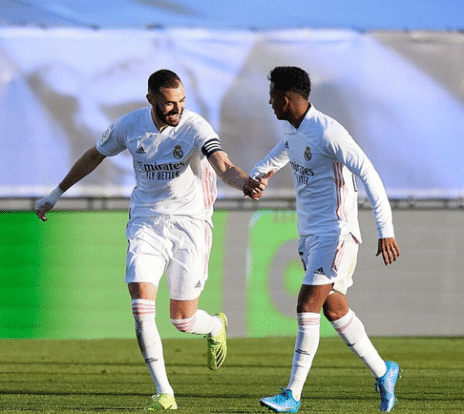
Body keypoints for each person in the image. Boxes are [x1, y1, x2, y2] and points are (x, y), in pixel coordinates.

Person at [35, 69, 264, 410]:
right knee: (141, 305)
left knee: (183, 320)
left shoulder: (195, 126)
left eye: (182, 101)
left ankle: (215, 325)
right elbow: (94, 155)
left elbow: (222, 163)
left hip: (190, 224)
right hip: (146, 222)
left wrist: (245, 183)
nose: (178, 109)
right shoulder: (129, 125)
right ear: (151, 100)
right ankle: (164, 393)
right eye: (170, 103)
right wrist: (55, 193)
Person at [253, 66, 401, 413]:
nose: (270, 103)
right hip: (310, 234)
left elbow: (368, 173)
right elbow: (281, 152)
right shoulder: (293, 130)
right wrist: (257, 176)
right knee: (334, 309)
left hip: (337, 232)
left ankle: (292, 395)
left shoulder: (329, 132)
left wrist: (386, 229)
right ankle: (384, 372)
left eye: (272, 97)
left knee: (307, 305)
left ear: (285, 99)